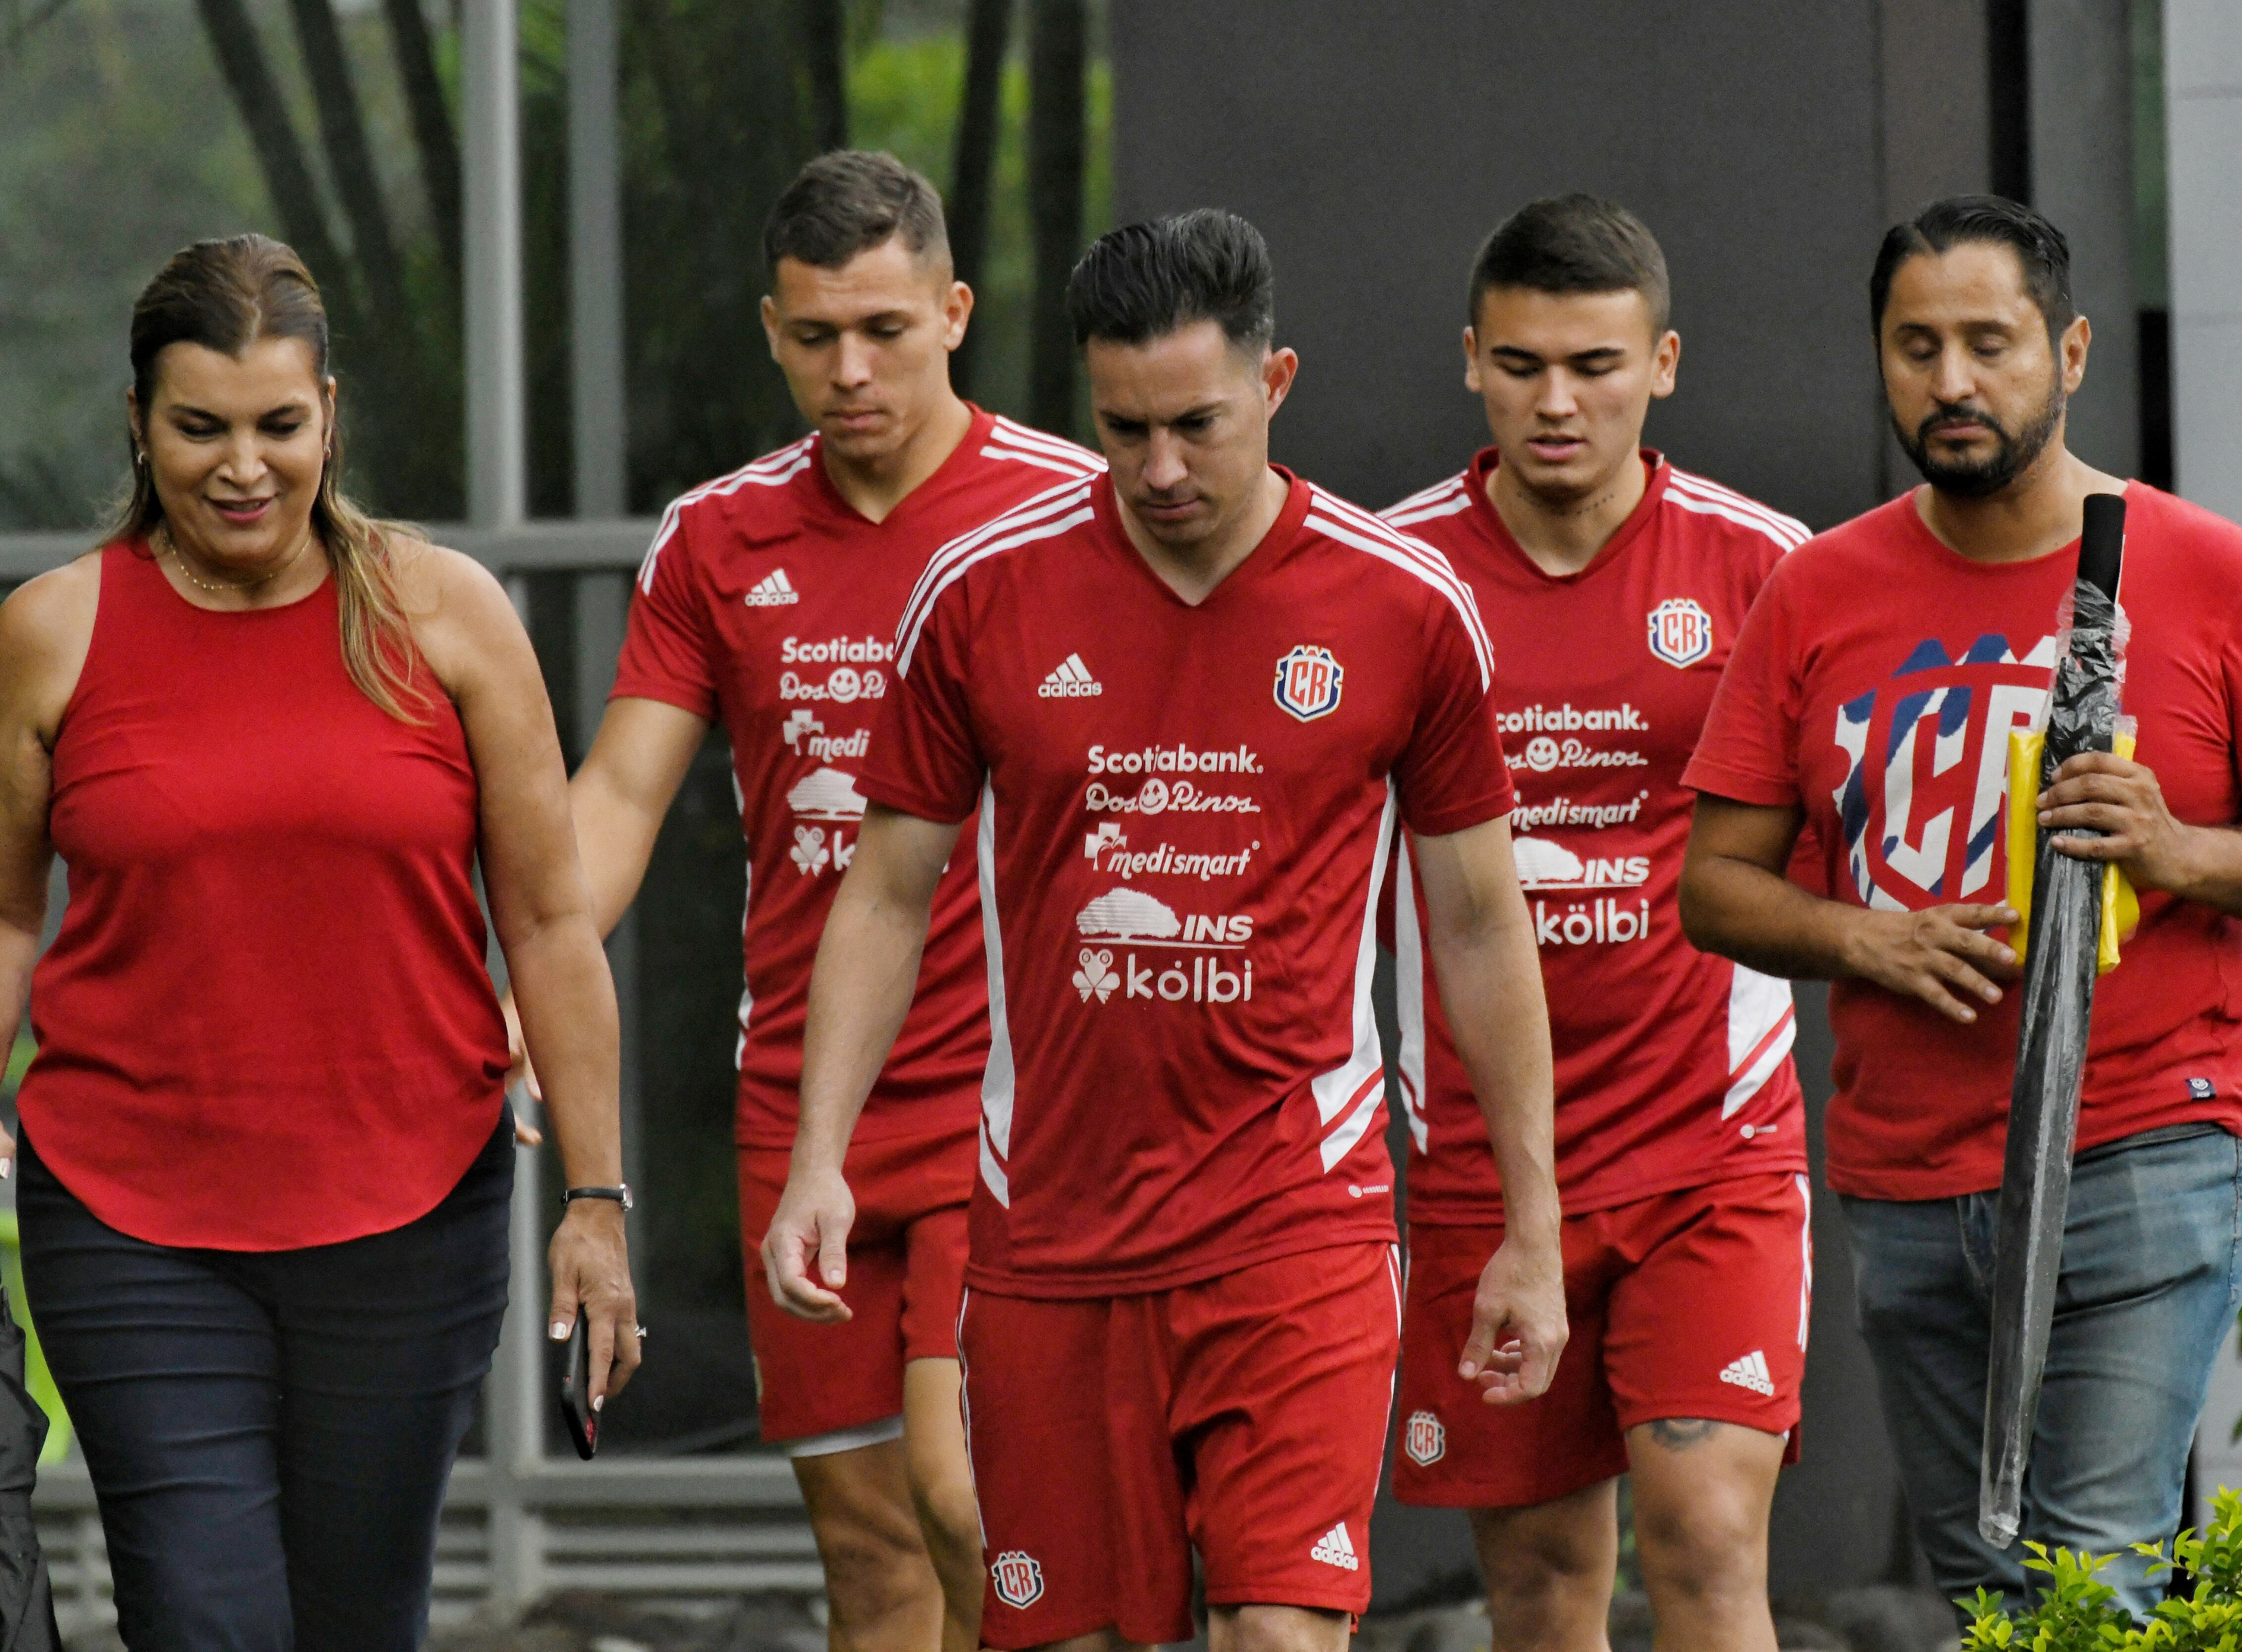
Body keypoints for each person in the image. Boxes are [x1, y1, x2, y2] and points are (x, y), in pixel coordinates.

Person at [763, 208, 1568, 1652]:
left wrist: (1532, 1225)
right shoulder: (985, 591)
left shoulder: (1402, 603)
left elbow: (1475, 921)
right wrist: (819, 1153)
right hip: (1051, 1232)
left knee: (1280, 1632)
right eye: (1123, 429)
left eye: (1197, 424)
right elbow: (884, 890)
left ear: (1276, 382)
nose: (1161, 470)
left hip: (1297, 1222)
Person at [1678, 195, 2242, 1617]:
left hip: (2146, 1148)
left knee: (2091, 1580)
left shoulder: (2216, 575)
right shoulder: (1816, 592)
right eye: (1916, 347)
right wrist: (1858, 936)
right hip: (1907, 1178)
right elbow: (1714, 884)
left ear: (2069, 352)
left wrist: (2177, 851)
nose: (1951, 381)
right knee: (1991, 1596)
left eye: (1989, 344)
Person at [0, 234, 639, 1652]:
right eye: (200, 428)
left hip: (412, 1214)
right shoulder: (53, 633)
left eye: (278, 425)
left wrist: (597, 1202)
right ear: (138, 421)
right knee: (201, 1618)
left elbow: (548, 920)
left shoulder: (451, 614)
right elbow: (4, 915)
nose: (244, 467)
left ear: (330, 416)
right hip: (128, 1219)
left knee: (359, 1620)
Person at [508, 151, 1096, 1652]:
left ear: (954, 314)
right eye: (816, 336)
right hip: (803, 1098)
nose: (851, 372)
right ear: (772, 331)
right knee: (872, 1551)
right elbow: (619, 796)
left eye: (886, 331)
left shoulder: (1073, 514)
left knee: (971, 1502)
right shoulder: (718, 537)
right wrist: (526, 986)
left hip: (1013, 1096)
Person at [1380, 193, 1809, 1652]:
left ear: (1664, 363)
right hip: (1482, 1162)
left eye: (1595, 366)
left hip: (1711, 1148)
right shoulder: (1389, 579)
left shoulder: (1769, 568)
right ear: (1470, 362)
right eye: (1520, 366)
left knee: (1707, 1541)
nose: (1556, 403)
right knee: (1544, 1584)